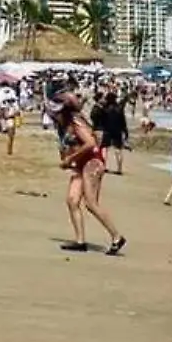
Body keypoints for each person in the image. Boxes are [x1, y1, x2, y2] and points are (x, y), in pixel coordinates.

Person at [58, 95, 127, 256]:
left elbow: (90, 143)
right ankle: (80, 241)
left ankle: (117, 237)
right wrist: (69, 160)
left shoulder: (76, 122)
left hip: (92, 163)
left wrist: (70, 158)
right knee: (72, 200)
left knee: (91, 203)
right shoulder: (65, 125)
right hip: (81, 165)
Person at [101, 93, 130, 175]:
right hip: (118, 130)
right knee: (118, 150)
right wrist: (125, 131)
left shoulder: (105, 108)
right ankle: (119, 169)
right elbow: (123, 121)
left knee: (105, 148)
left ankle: (103, 166)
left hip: (107, 130)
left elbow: (102, 120)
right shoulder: (119, 109)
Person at [0, 83, 20, 156]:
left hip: (7, 115)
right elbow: (17, 108)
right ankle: (9, 149)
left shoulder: (1, 92)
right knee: (11, 135)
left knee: (10, 134)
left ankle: (9, 149)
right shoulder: (11, 91)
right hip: (9, 116)